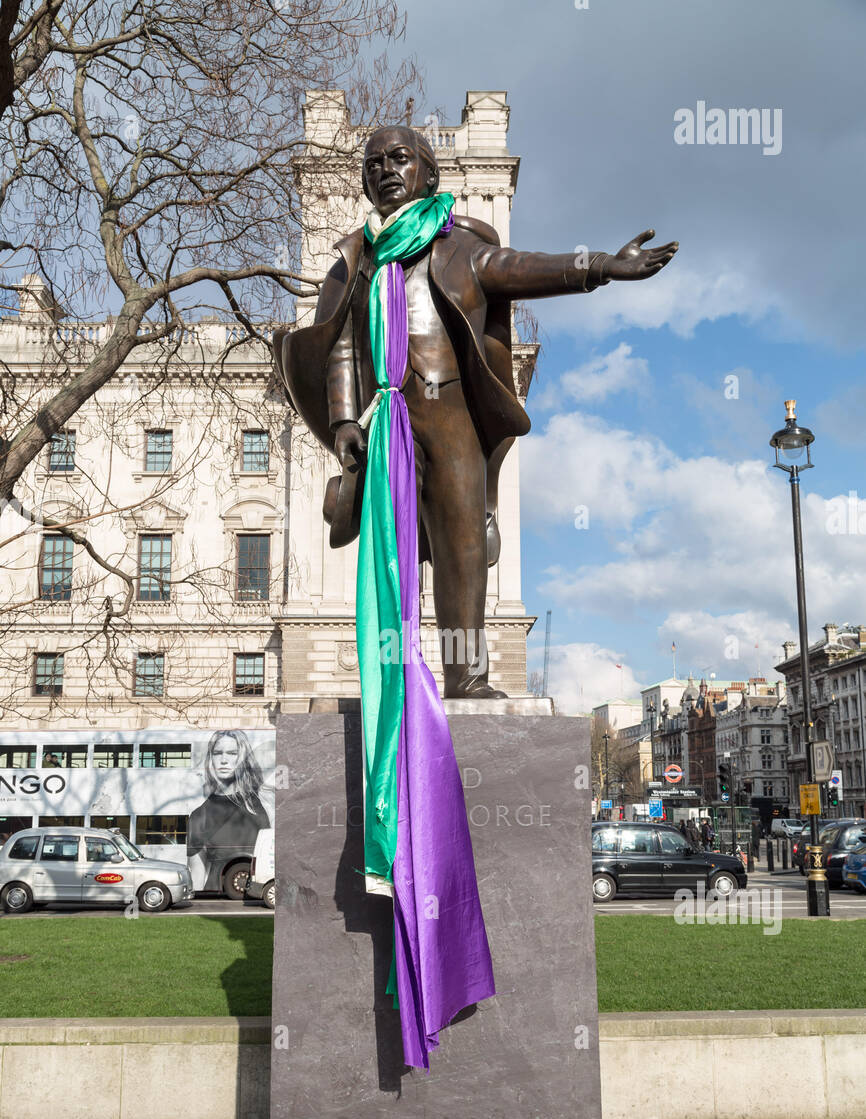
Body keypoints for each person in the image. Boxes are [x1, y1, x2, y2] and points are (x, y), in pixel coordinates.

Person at [274, 124, 677, 698]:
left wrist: (603, 266)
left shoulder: (461, 247)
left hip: (449, 417)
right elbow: (337, 345)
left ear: (428, 174)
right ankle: (389, 680)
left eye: (400, 159)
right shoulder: (351, 262)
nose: (385, 170)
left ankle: (467, 677)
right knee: (388, 552)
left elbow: (525, 267)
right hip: (383, 424)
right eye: (373, 165)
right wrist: (342, 423)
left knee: (462, 548)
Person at [186, 731, 270, 894]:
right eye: (217, 753)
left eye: (232, 753)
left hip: (259, 890)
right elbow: (197, 872)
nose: (223, 760)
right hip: (217, 893)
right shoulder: (199, 815)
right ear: (211, 758)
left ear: (243, 758)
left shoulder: (261, 805)